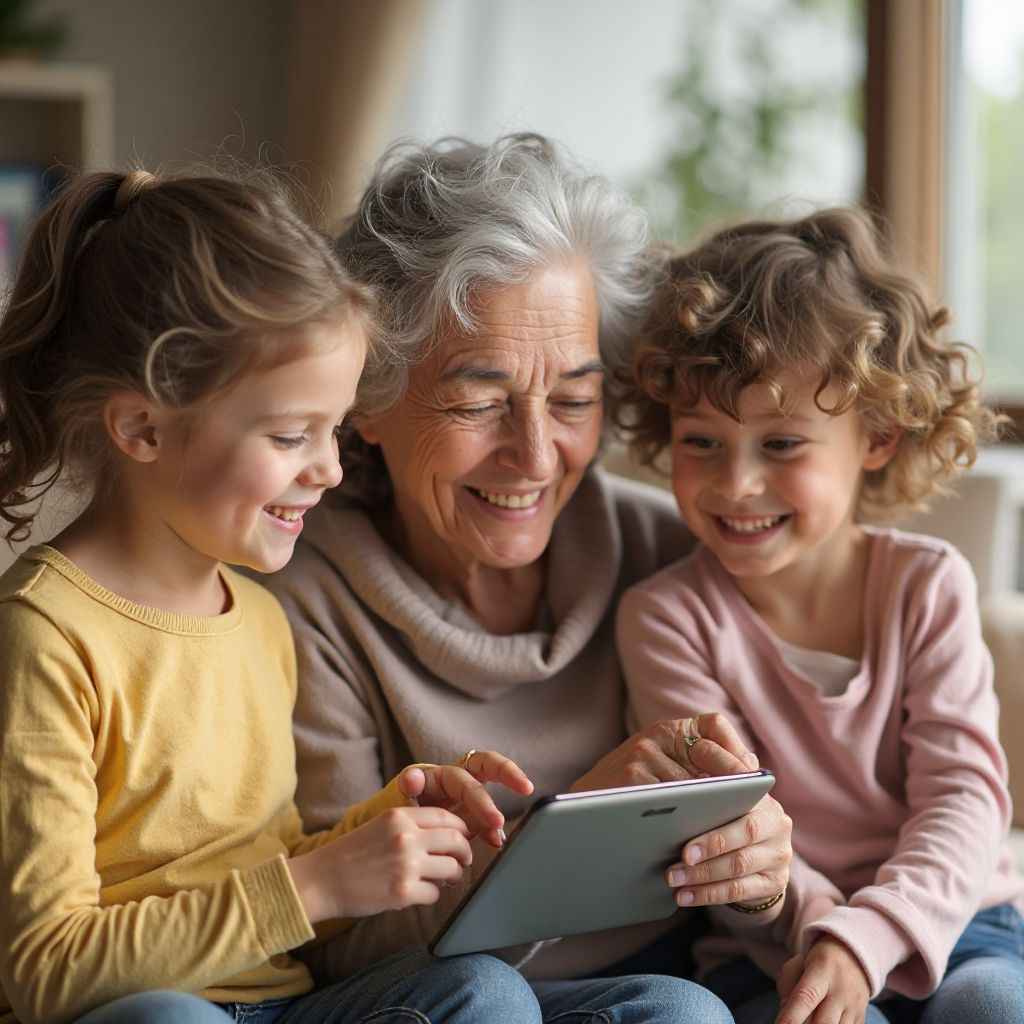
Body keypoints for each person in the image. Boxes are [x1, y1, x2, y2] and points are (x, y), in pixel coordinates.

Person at [263, 133, 792, 1023]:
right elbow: (332, 942)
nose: (537, 455)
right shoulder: (300, 599)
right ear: (367, 400)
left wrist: (759, 873)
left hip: (650, 981)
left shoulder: (673, 549)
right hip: (437, 995)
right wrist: (569, 835)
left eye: (574, 400)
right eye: (479, 402)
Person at [0, 168, 545, 1024]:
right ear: (143, 428)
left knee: (496, 992)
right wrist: (318, 883)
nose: (329, 469)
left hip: (282, 1009)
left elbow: (268, 875)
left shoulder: (258, 616)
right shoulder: (46, 635)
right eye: (293, 435)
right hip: (145, 1014)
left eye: (334, 430)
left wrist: (390, 829)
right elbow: (45, 971)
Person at [614, 207, 1024, 1023]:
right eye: (701, 441)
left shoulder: (927, 586)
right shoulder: (665, 618)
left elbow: (964, 798)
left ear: (877, 436)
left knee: (990, 1006)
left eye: (781, 444)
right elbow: (725, 826)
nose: (736, 484)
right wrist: (827, 938)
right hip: (770, 948)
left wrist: (868, 936)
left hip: (957, 919)